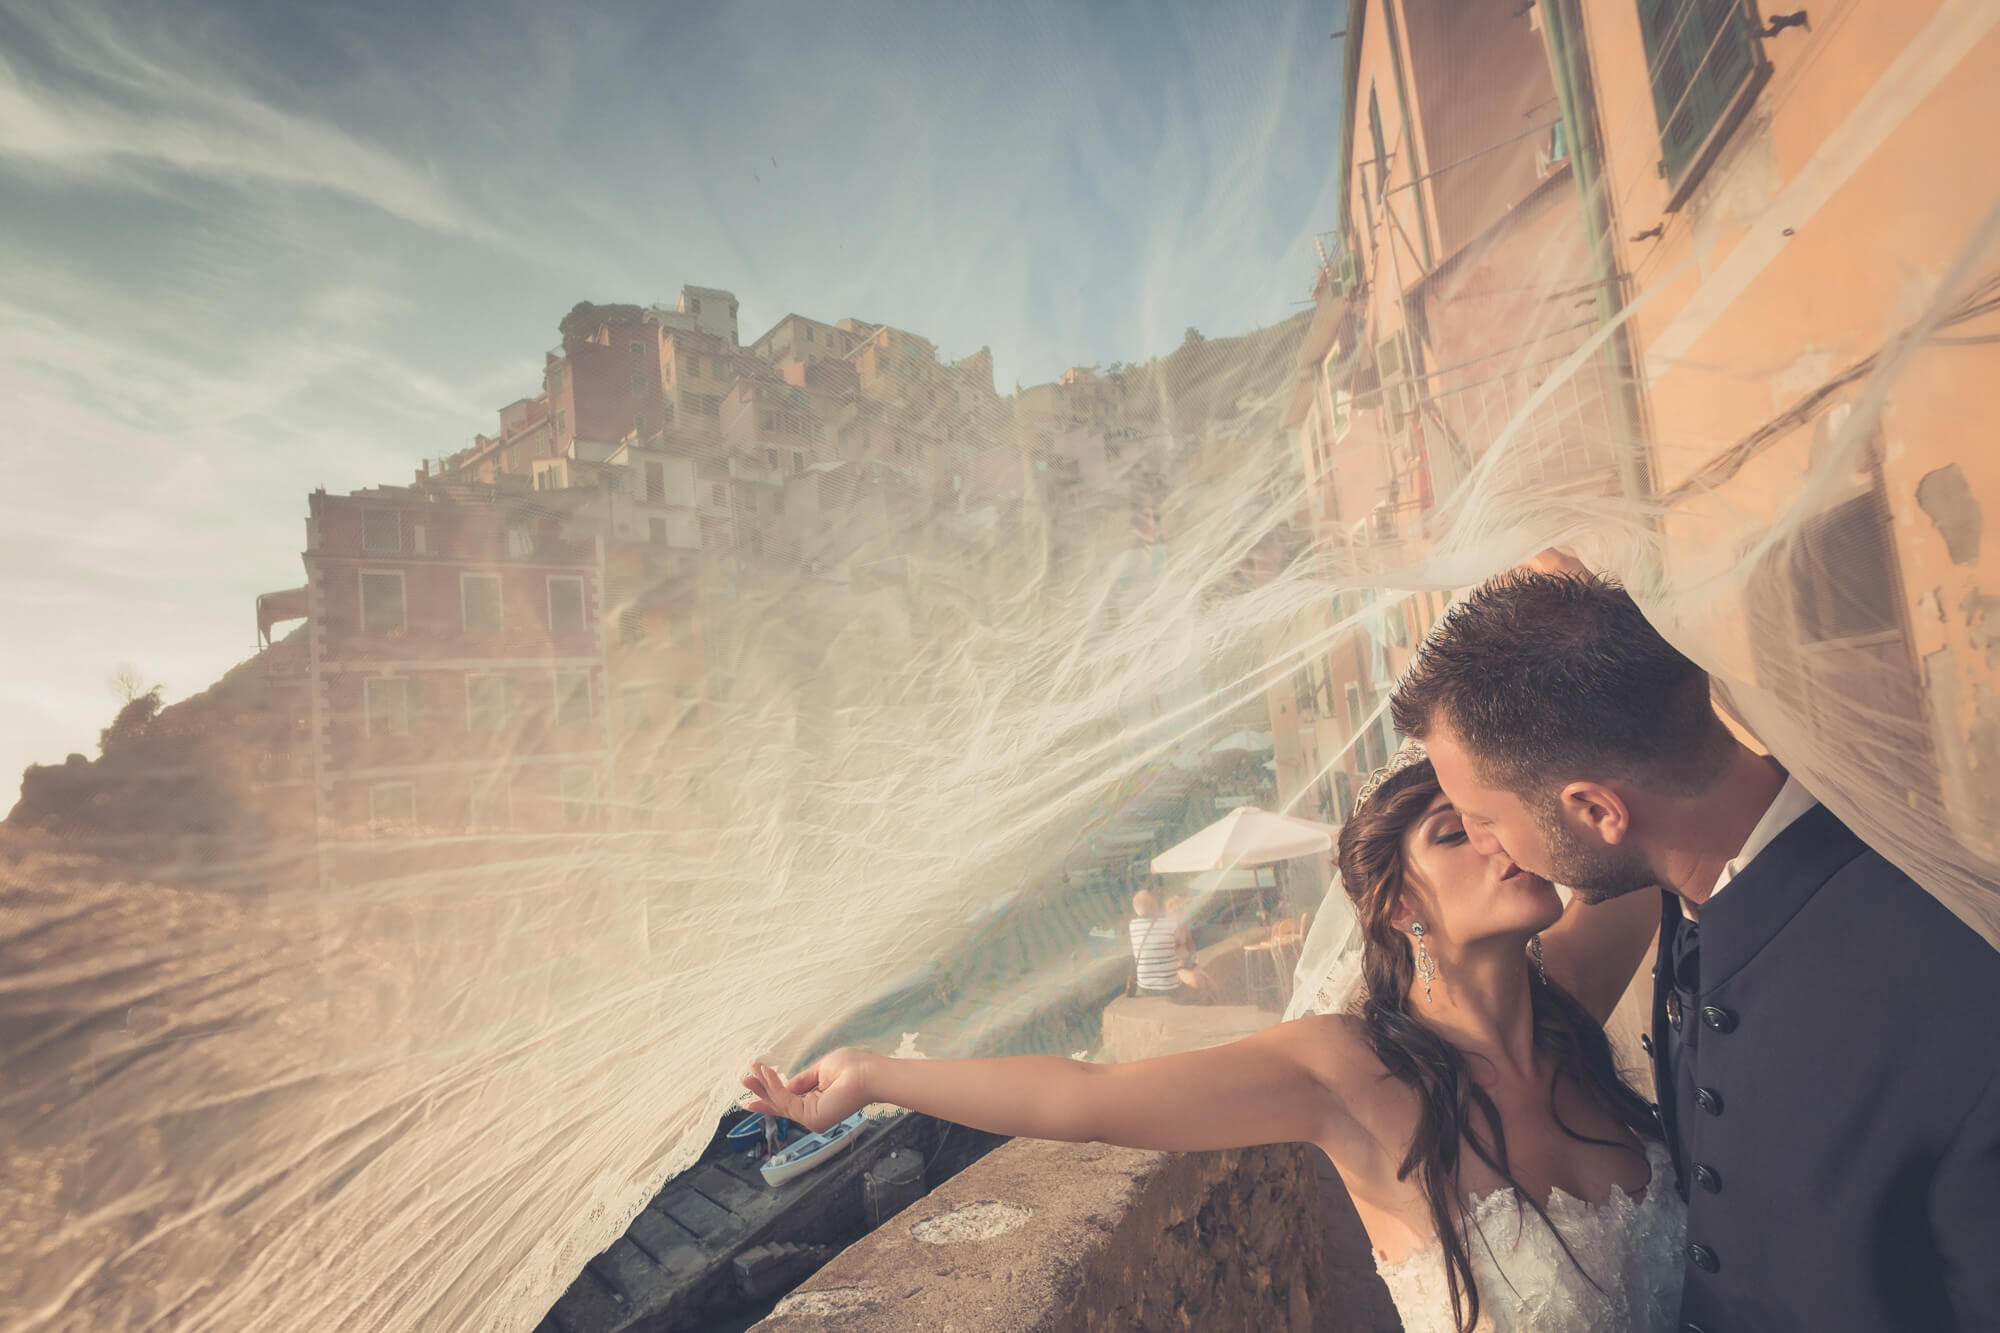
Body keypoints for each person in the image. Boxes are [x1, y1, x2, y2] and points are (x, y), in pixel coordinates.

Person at [745, 752, 1677, 1332]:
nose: (1497, 840)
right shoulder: (1348, 1071)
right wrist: (874, 1075)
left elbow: (1636, 785)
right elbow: (1087, 1096)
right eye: (1455, 833)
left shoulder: (1570, 1008)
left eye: (1491, 816)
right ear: (1400, 906)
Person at [1391, 569, 2000, 1332]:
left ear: (1596, 810)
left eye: (1481, 818)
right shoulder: (1691, 900)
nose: (1489, 847)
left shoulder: (1955, 970)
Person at [1125, 889, 1206, 1004]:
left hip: (1144, 988)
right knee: (1198, 988)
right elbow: (1186, 949)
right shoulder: (1169, 925)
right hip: (1169, 987)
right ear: (1155, 906)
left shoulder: (1133, 926)